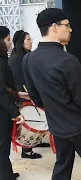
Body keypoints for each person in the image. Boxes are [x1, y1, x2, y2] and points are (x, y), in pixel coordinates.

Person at [21, 8, 81, 180]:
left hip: (57, 127)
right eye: (67, 25)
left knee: (62, 167)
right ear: (54, 27)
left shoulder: (29, 59)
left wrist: (57, 110)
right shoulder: (67, 61)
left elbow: (35, 97)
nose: (71, 29)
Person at [8, 30, 51, 160]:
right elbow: (17, 79)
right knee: (28, 121)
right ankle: (27, 150)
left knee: (37, 118)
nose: (31, 41)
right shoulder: (16, 58)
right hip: (22, 95)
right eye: (28, 39)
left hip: (31, 93)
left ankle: (36, 141)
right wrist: (24, 92)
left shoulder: (27, 55)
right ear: (21, 42)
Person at [0, 26, 26, 180]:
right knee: (3, 145)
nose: (10, 43)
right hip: (2, 110)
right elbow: (1, 92)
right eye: (8, 39)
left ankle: (7, 172)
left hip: (4, 106)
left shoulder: (3, 59)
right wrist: (15, 113)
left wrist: (17, 93)